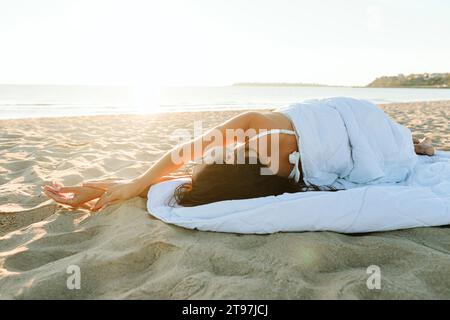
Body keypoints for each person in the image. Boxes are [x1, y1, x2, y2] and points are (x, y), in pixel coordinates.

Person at [43, 99, 436, 211]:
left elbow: (186, 164)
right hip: (353, 124)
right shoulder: (255, 139)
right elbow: (187, 162)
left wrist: (133, 185)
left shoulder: (277, 181)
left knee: (398, 146)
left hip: (351, 119)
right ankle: (410, 142)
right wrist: (134, 184)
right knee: (398, 147)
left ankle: (410, 142)